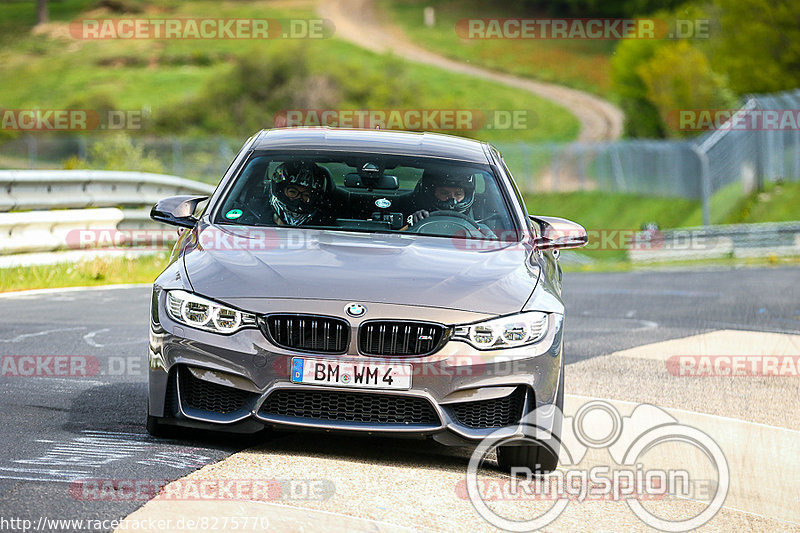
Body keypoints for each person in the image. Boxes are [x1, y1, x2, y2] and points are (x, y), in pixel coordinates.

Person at [266, 160, 333, 226]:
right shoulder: (259, 218)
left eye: (306, 194)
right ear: (279, 191)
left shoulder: (322, 225)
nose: (298, 198)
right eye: (292, 192)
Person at [406, 170, 476, 226]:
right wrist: (416, 221)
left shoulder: (480, 215)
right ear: (432, 193)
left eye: (458, 194)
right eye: (444, 193)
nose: (452, 199)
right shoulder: (412, 210)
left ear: (466, 196)